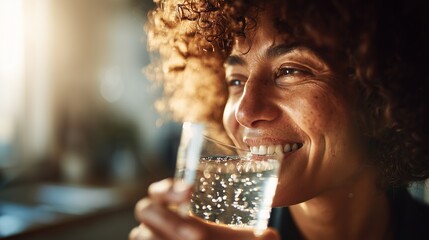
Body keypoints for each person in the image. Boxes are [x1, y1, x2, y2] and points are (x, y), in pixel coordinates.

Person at [130, 0, 429, 239]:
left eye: (290, 71)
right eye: (236, 80)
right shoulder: (210, 231)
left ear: (377, 90)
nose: (244, 112)